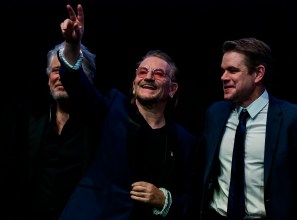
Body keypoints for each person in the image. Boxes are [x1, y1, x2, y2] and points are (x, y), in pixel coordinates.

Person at [55, 4, 200, 220]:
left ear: (172, 89)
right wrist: (73, 45)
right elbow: (76, 84)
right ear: (134, 84)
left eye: (158, 73)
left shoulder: (187, 142)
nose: (149, 77)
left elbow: (194, 202)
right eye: (143, 72)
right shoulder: (111, 108)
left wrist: (165, 200)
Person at [198, 37, 297, 220]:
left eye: (232, 71)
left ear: (258, 74)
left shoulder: (292, 118)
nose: (223, 77)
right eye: (223, 71)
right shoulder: (215, 113)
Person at [24, 40, 101, 220]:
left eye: (68, 71)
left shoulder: (100, 122)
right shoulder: (30, 122)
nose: (61, 77)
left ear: (86, 79)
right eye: (56, 70)